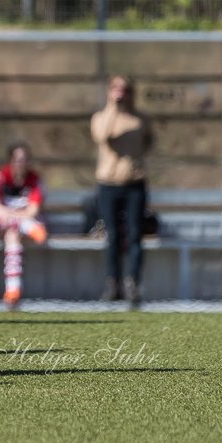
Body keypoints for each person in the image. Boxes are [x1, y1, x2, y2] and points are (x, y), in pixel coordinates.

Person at [90, 74, 152, 306]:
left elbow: (148, 142)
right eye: (116, 88)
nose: (120, 93)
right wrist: (113, 108)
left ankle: (133, 283)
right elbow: (102, 136)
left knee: (135, 235)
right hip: (108, 184)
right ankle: (112, 283)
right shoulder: (101, 117)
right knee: (113, 236)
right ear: (109, 91)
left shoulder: (140, 119)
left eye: (124, 89)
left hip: (134, 184)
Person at [0, 142, 47, 310]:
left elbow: (33, 210)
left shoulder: (34, 179)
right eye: (17, 160)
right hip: (0, 224)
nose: (21, 163)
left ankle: (13, 290)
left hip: (13, 227)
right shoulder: (0, 176)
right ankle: (28, 228)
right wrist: (16, 217)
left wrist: (11, 216)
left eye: (24, 160)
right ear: (10, 161)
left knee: (13, 234)